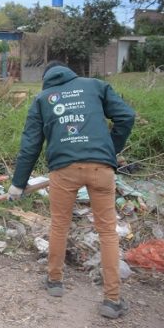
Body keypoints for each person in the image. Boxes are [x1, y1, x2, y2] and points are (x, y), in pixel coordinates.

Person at [8, 61, 135, 319]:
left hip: (63, 170)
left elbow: (30, 144)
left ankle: (54, 282)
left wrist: (18, 184)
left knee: (59, 225)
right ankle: (112, 300)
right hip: (101, 169)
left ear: (46, 79)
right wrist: (111, 150)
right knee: (107, 232)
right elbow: (126, 116)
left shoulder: (43, 99)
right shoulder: (95, 86)